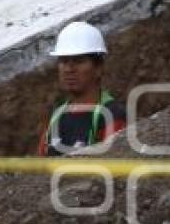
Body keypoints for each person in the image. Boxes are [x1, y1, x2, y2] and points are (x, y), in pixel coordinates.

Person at [38, 22, 126, 156]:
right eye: (64, 61)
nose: (69, 69)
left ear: (99, 68)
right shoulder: (56, 117)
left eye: (78, 61)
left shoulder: (112, 116)